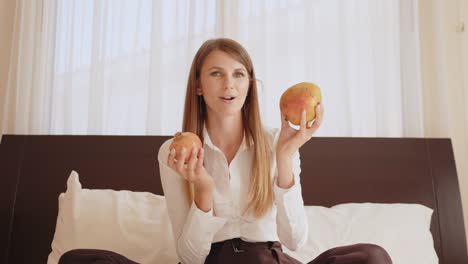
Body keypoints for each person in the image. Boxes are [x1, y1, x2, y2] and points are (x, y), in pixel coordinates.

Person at [58, 38, 393, 264]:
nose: (229, 84)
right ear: (199, 86)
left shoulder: (278, 142)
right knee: (79, 260)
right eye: (216, 74)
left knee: (371, 257)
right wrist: (203, 188)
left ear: (249, 85)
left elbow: (295, 241)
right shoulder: (173, 152)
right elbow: (189, 256)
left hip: (268, 260)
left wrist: (285, 159)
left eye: (238, 74)